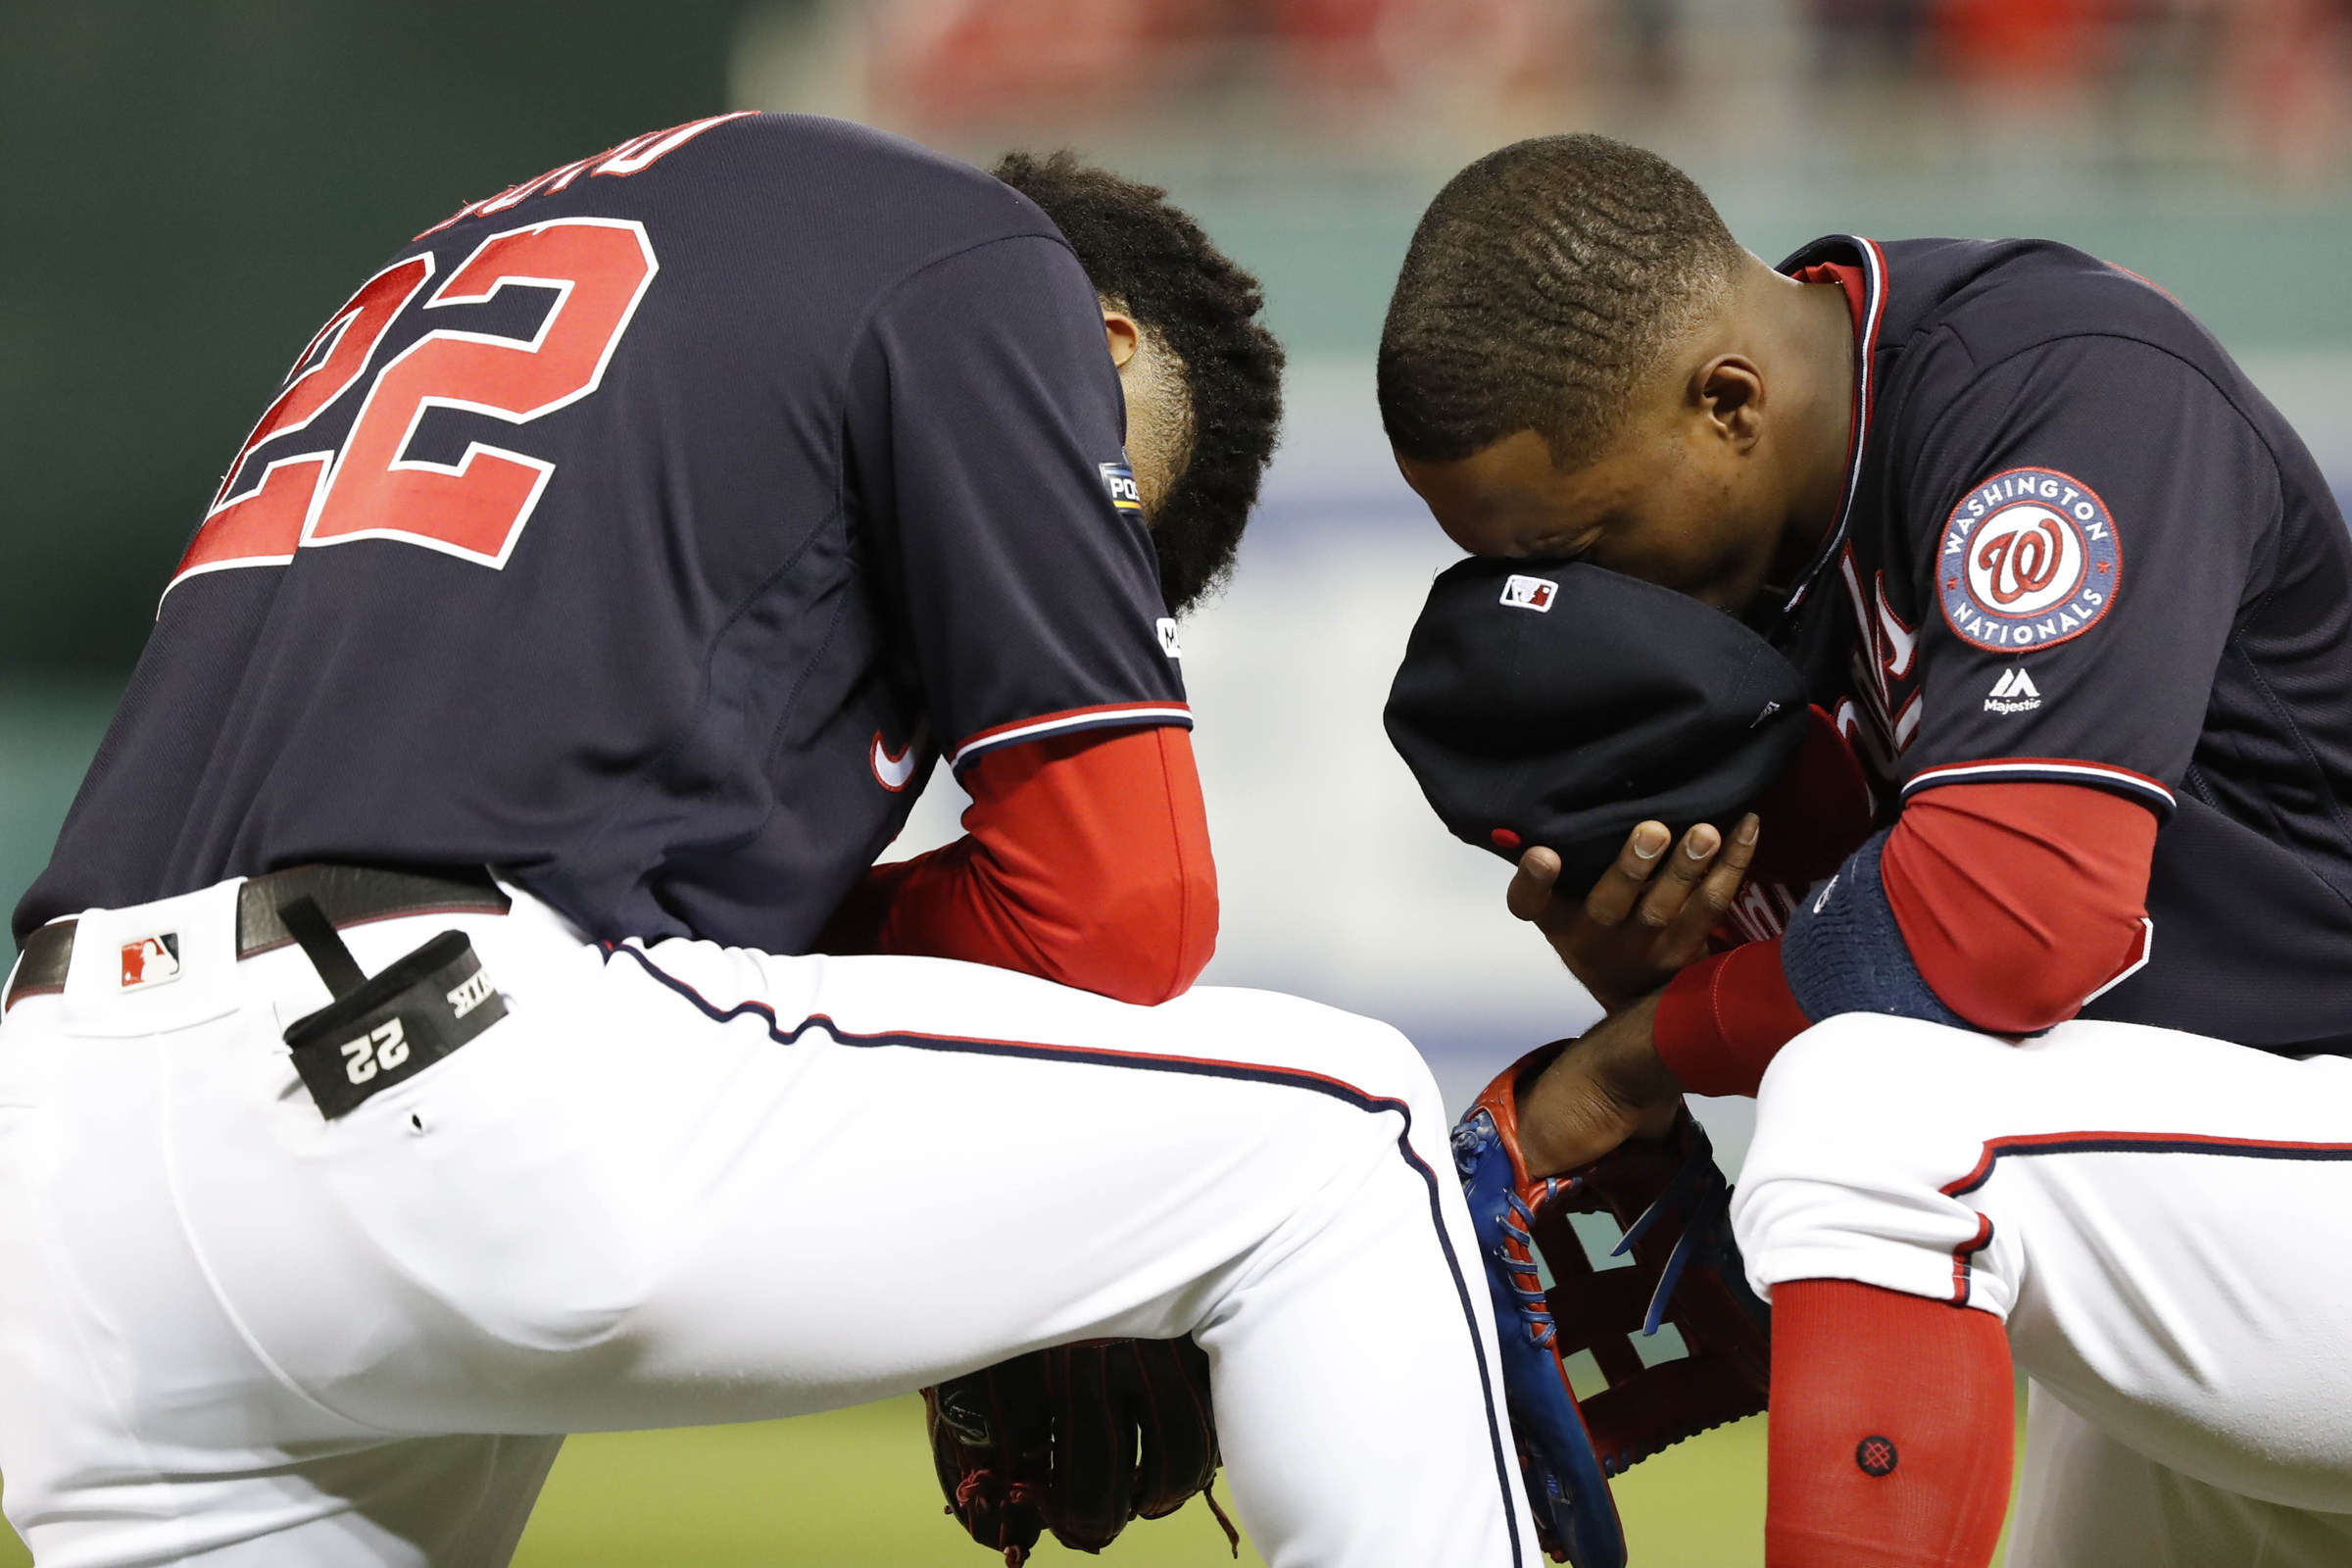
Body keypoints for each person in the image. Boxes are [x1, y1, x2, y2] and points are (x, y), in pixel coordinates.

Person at [0, 113, 1538, 1567]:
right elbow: (1125, 910)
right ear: (1109, 344)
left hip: (64, 1169)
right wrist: (1044, 1214)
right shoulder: (984, 263)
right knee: (1343, 1134)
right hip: (427, 1064)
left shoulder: (530, 269)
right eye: (1116, 515)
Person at [1378, 133, 2352, 1567]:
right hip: (2230, 1210)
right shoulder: (1764, 578)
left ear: (1726, 401)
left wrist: (1641, 1052)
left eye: (1583, 541)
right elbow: (1921, 965)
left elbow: (2009, 931)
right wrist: (1670, 964)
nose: (1569, 598)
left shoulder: (2059, 382)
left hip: (2303, 1155)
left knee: (1880, 1118)